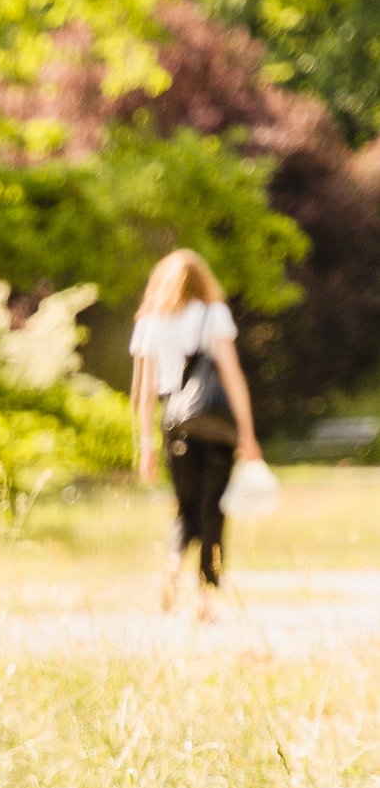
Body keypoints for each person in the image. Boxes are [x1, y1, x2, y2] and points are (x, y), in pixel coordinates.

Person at [129, 249, 263, 622]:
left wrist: (145, 447)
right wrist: (248, 433)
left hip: (175, 425)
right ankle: (205, 602)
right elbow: (232, 376)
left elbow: (142, 391)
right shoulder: (213, 314)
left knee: (185, 509)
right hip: (215, 426)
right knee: (213, 509)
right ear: (203, 280)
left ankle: (171, 572)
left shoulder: (149, 321)